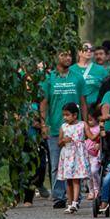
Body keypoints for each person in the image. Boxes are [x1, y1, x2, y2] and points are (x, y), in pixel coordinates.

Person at [39, 49, 87, 209]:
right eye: (63, 55)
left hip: (76, 130)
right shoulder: (49, 78)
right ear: (55, 57)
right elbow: (44, 102)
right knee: (56, 164)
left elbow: (83, 101)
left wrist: (86, 124)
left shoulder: (77, 77)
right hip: (55, 128)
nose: (67, 58)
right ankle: (59, 196)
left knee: (77, 163)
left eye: (69, 55)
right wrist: (43, 124)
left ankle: (75, 197)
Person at [56, 103, 89, 213]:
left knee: (76, 179)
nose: (65, 117)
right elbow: (59, 143)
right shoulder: (63, 127)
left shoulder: (82, 124)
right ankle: (69, 204)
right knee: (68, 180)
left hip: (77, 155)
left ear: (75, 115)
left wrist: (99, 131)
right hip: (67, 155)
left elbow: (91, 136)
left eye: (67, 115)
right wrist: (63, 141)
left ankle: (75, 202)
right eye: (63, 115)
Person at [69, 42, 108, 107]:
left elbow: (108, 89)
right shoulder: (71, 69)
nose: (89, 51)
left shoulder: (101, 70)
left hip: (93, 109)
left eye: (91, 49)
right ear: (79, 52)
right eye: (86, 49)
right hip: (74, 108)